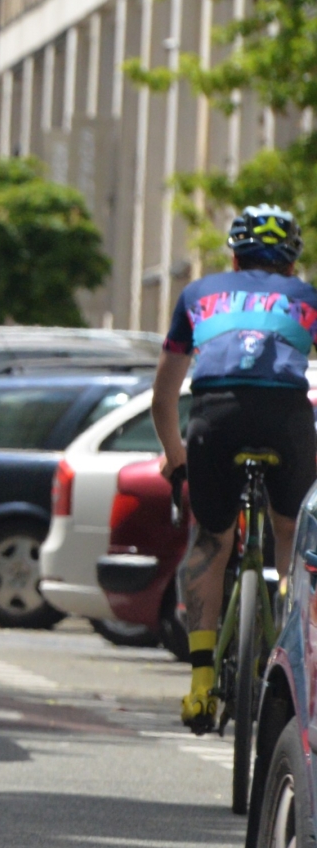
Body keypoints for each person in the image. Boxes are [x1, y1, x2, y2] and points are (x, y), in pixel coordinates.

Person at [154, 204, 317, 730]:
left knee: (209, 541)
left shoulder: (198, 293)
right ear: (292, 263)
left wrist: (176, 458)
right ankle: (295, 659)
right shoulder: (308, 297)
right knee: (293, 531)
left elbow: (164, 395)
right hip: (286, 416)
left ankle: (201, 684)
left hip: (214, 414)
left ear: (232, 252)